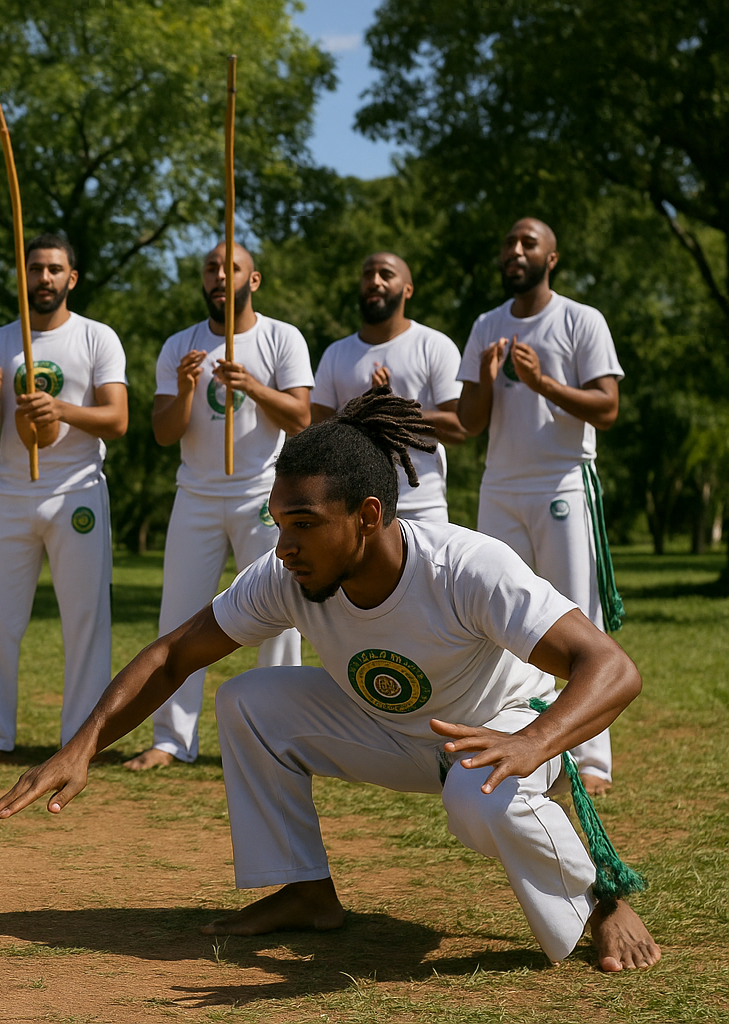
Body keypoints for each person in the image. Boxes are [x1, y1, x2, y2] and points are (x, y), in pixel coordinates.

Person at [0, 387, 661, 973]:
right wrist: (82, 747)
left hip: (497, 730)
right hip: (394, 732)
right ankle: (306, 893)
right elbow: (173, 655)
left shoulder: (465, 567)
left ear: (368, 516)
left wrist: (533, 742)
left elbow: (611, 668)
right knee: (249, 701)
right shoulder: (289, 577)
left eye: (303, 525)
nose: (284, 546)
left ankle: (603, 898)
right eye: (279, 523)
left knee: (481, 800)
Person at [123, 242, 312, 772]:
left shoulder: (281, 338)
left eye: (232, 268)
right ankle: (172, 739)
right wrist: (185, 389)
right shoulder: (179, 345)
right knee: (180, 616)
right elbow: (164, 432)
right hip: (197, 496)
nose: (220, 277)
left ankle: (279, 736)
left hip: (262, 494)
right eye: (212, 269)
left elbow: (301, 416)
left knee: (281, 610)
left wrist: (251, 385)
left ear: (254, 280)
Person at [458, 218, 624, 796]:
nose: (516, 250)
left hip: (562, 483)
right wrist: (483, 379)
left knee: (578, 615)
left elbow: (606, 407)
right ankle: (519, 736)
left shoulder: (581, 320)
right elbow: (470, 423)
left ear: (551, 258)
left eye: (529, 243)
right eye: (509, 242)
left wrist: (544, 383)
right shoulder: (486, 325)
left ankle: (592, 759)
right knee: (501, 616)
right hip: (500, 485)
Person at [0, 233, 128, 763]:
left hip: (76, 492)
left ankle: (80, 739)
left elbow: (117, 419)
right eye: (35, 269)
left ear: (71, 278)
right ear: (23, 277)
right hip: (10, 493)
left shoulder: (97, 338)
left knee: (85, 619)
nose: (45, 278)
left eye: (55, 269)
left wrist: (62, 410)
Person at [312, 252, 464, 522]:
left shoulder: (435, 346)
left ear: (408, 289)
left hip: (421, 503)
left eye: (386, 274)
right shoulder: (336, 353)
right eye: (368, 275)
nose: (374, 281)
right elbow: (316, 428)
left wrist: (391, 411)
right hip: (353, 503)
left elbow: (458, 428)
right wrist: (362, 414)